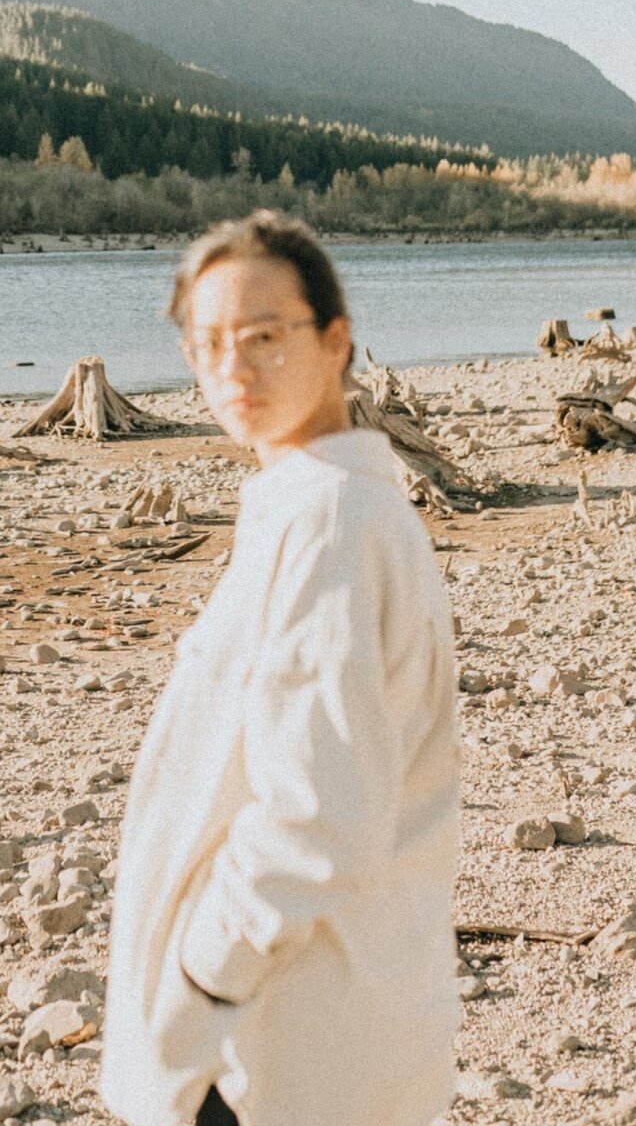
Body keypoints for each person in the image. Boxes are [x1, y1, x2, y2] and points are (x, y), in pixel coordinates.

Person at [100, 211, 460, 1126]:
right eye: (208, 341)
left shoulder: (330, 519)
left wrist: (198, 974)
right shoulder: (319, 503)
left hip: (275, 1045)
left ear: (335, 341)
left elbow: (319, 811)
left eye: (265, 336)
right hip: (311, 1025)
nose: (234, 366)